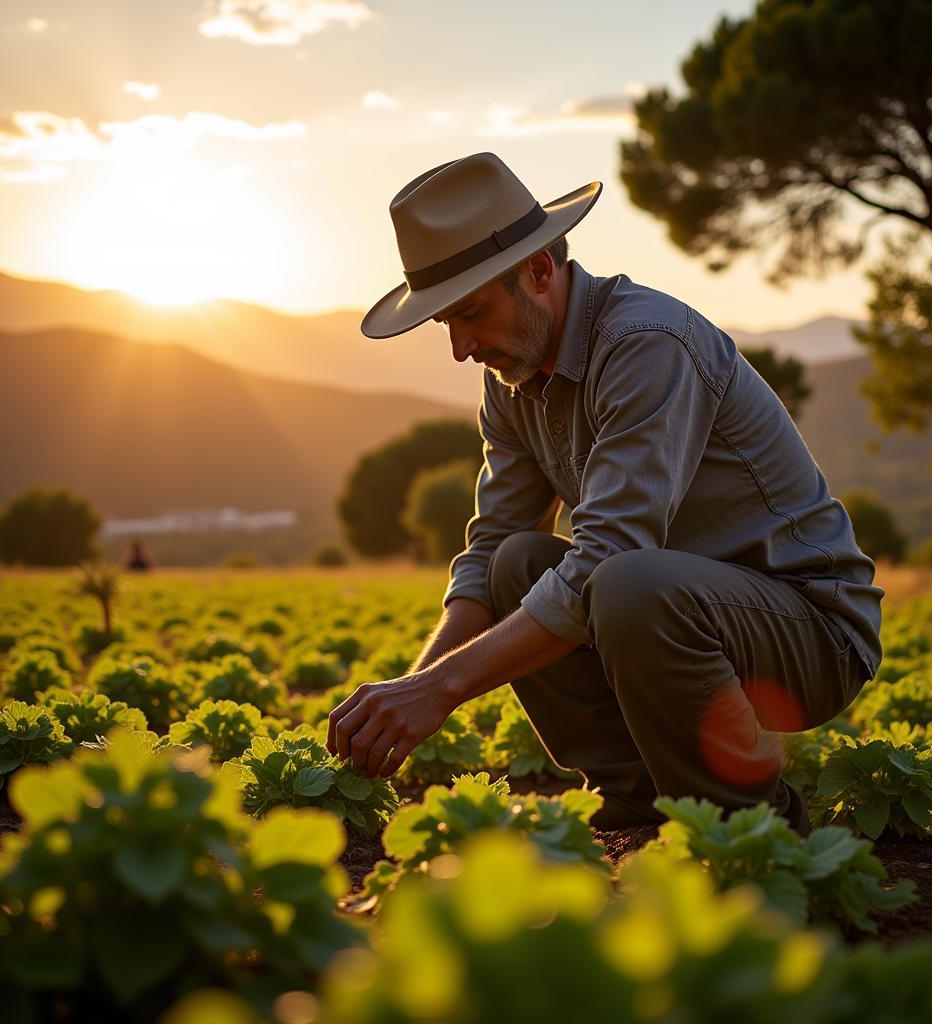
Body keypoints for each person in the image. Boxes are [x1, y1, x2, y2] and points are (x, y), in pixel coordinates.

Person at [326, 152, 883, 833]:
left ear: (538, 271)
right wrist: (413, 688)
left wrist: (440, 692)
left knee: (625, 581)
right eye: (446, 323)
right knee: (514, 566)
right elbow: (490, 551)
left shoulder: (647, 344)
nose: (462, 347)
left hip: (810, 632)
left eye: (470, 313)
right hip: (677, 612)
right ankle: (639, 794)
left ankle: (749, 823)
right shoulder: (513, 380)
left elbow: (609, 556)